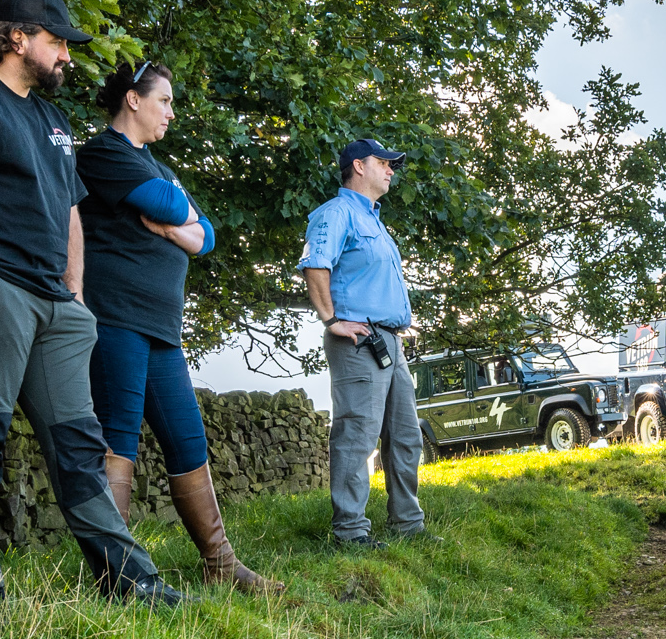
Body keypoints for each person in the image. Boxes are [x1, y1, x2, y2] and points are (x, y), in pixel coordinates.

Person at [0, 0, 189, 607]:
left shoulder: (53, 120)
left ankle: (131, 583)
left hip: (56, 306)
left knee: (79, 445)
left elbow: (70, 211)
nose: (67, 55)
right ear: (16, 38)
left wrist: (76, 296)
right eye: (57, 41)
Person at [77, 62, 279, 593]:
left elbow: (206, 234)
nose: (171, 111)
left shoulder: (158, 167)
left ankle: (220, 562)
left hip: (161, 325)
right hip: (116, 316)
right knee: (117, 438)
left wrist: (176, 223)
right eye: (164, 100)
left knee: (188, 439)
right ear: (133, 100)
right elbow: (172, 206)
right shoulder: (103, 154)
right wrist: (177, 218)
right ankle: (116, 576)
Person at [300, 139, 426, 548]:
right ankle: (350, 532)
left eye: (393, 163)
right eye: (383, 162)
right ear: (358, 166)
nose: (391, 169)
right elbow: (315, 262)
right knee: (357, 434)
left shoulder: (373, 220)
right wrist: (331, 319)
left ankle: (408, 525)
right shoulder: (336, 214)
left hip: (388, 341)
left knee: (406, 435)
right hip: (358, 342)